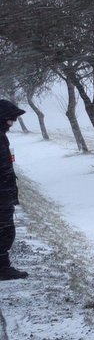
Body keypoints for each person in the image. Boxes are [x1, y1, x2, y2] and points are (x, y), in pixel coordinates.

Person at [0, 99, 28, 280]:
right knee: (5, 230)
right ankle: (2, 268)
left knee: (6, 230)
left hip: (4, 192)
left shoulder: (2, 135)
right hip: (1, 193)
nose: (12, 123)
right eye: (11, 119)